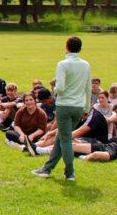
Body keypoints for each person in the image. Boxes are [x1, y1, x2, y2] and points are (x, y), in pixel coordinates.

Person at [32, 36, 91, 182]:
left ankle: (70, 173)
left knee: (65, 140)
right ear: (80, 48)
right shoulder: (86, 65)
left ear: (66, 47)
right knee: (61, 137)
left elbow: (61, 88)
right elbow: (88, 88)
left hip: (65, 106)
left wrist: (54, 87)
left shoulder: (63, 64)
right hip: (78, 107)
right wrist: (87, 108)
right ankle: (47, 168)